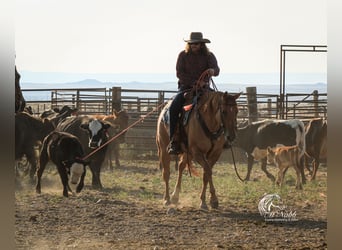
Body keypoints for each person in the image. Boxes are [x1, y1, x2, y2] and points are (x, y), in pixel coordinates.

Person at [167, 32, 220, 154]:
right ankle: (174, 141)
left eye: (196, 43)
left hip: (204, 88)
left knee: (219, 105)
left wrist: (213, 71)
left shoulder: (209, 56)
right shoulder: (183, 55)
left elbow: (216, 70)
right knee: (174, 107)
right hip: (186, 88)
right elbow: (179, 73)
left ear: (201, 44)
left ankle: (222, 138)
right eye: (191, 43)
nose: (193, 45)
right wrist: (195, 83)